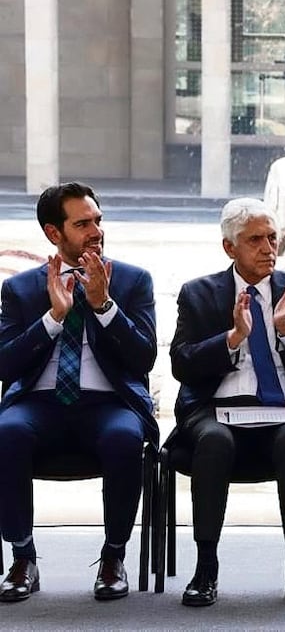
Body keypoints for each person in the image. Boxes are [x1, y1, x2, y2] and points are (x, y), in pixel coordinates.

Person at [169, 198, 285, 608]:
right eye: (255, 240)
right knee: (213, 441)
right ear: (230, 247)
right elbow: (181, 364)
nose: (268, 248)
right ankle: (205, 568)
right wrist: (231, 339)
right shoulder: (199, 294)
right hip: (218, 408)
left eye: (272, 238)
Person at [0, 182, 157, 603]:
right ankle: (22, 558)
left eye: (98, 220)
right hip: (39, 402)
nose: (96, 231)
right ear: (55, 233)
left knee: (125, 438)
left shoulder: (133, 281)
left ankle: (113, 558)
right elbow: (6, 365)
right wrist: (54, 316)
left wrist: (105, 306)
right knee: (6, 431)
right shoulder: (21, 289)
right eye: (82, 223)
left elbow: (144, 360)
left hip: (108, 402)